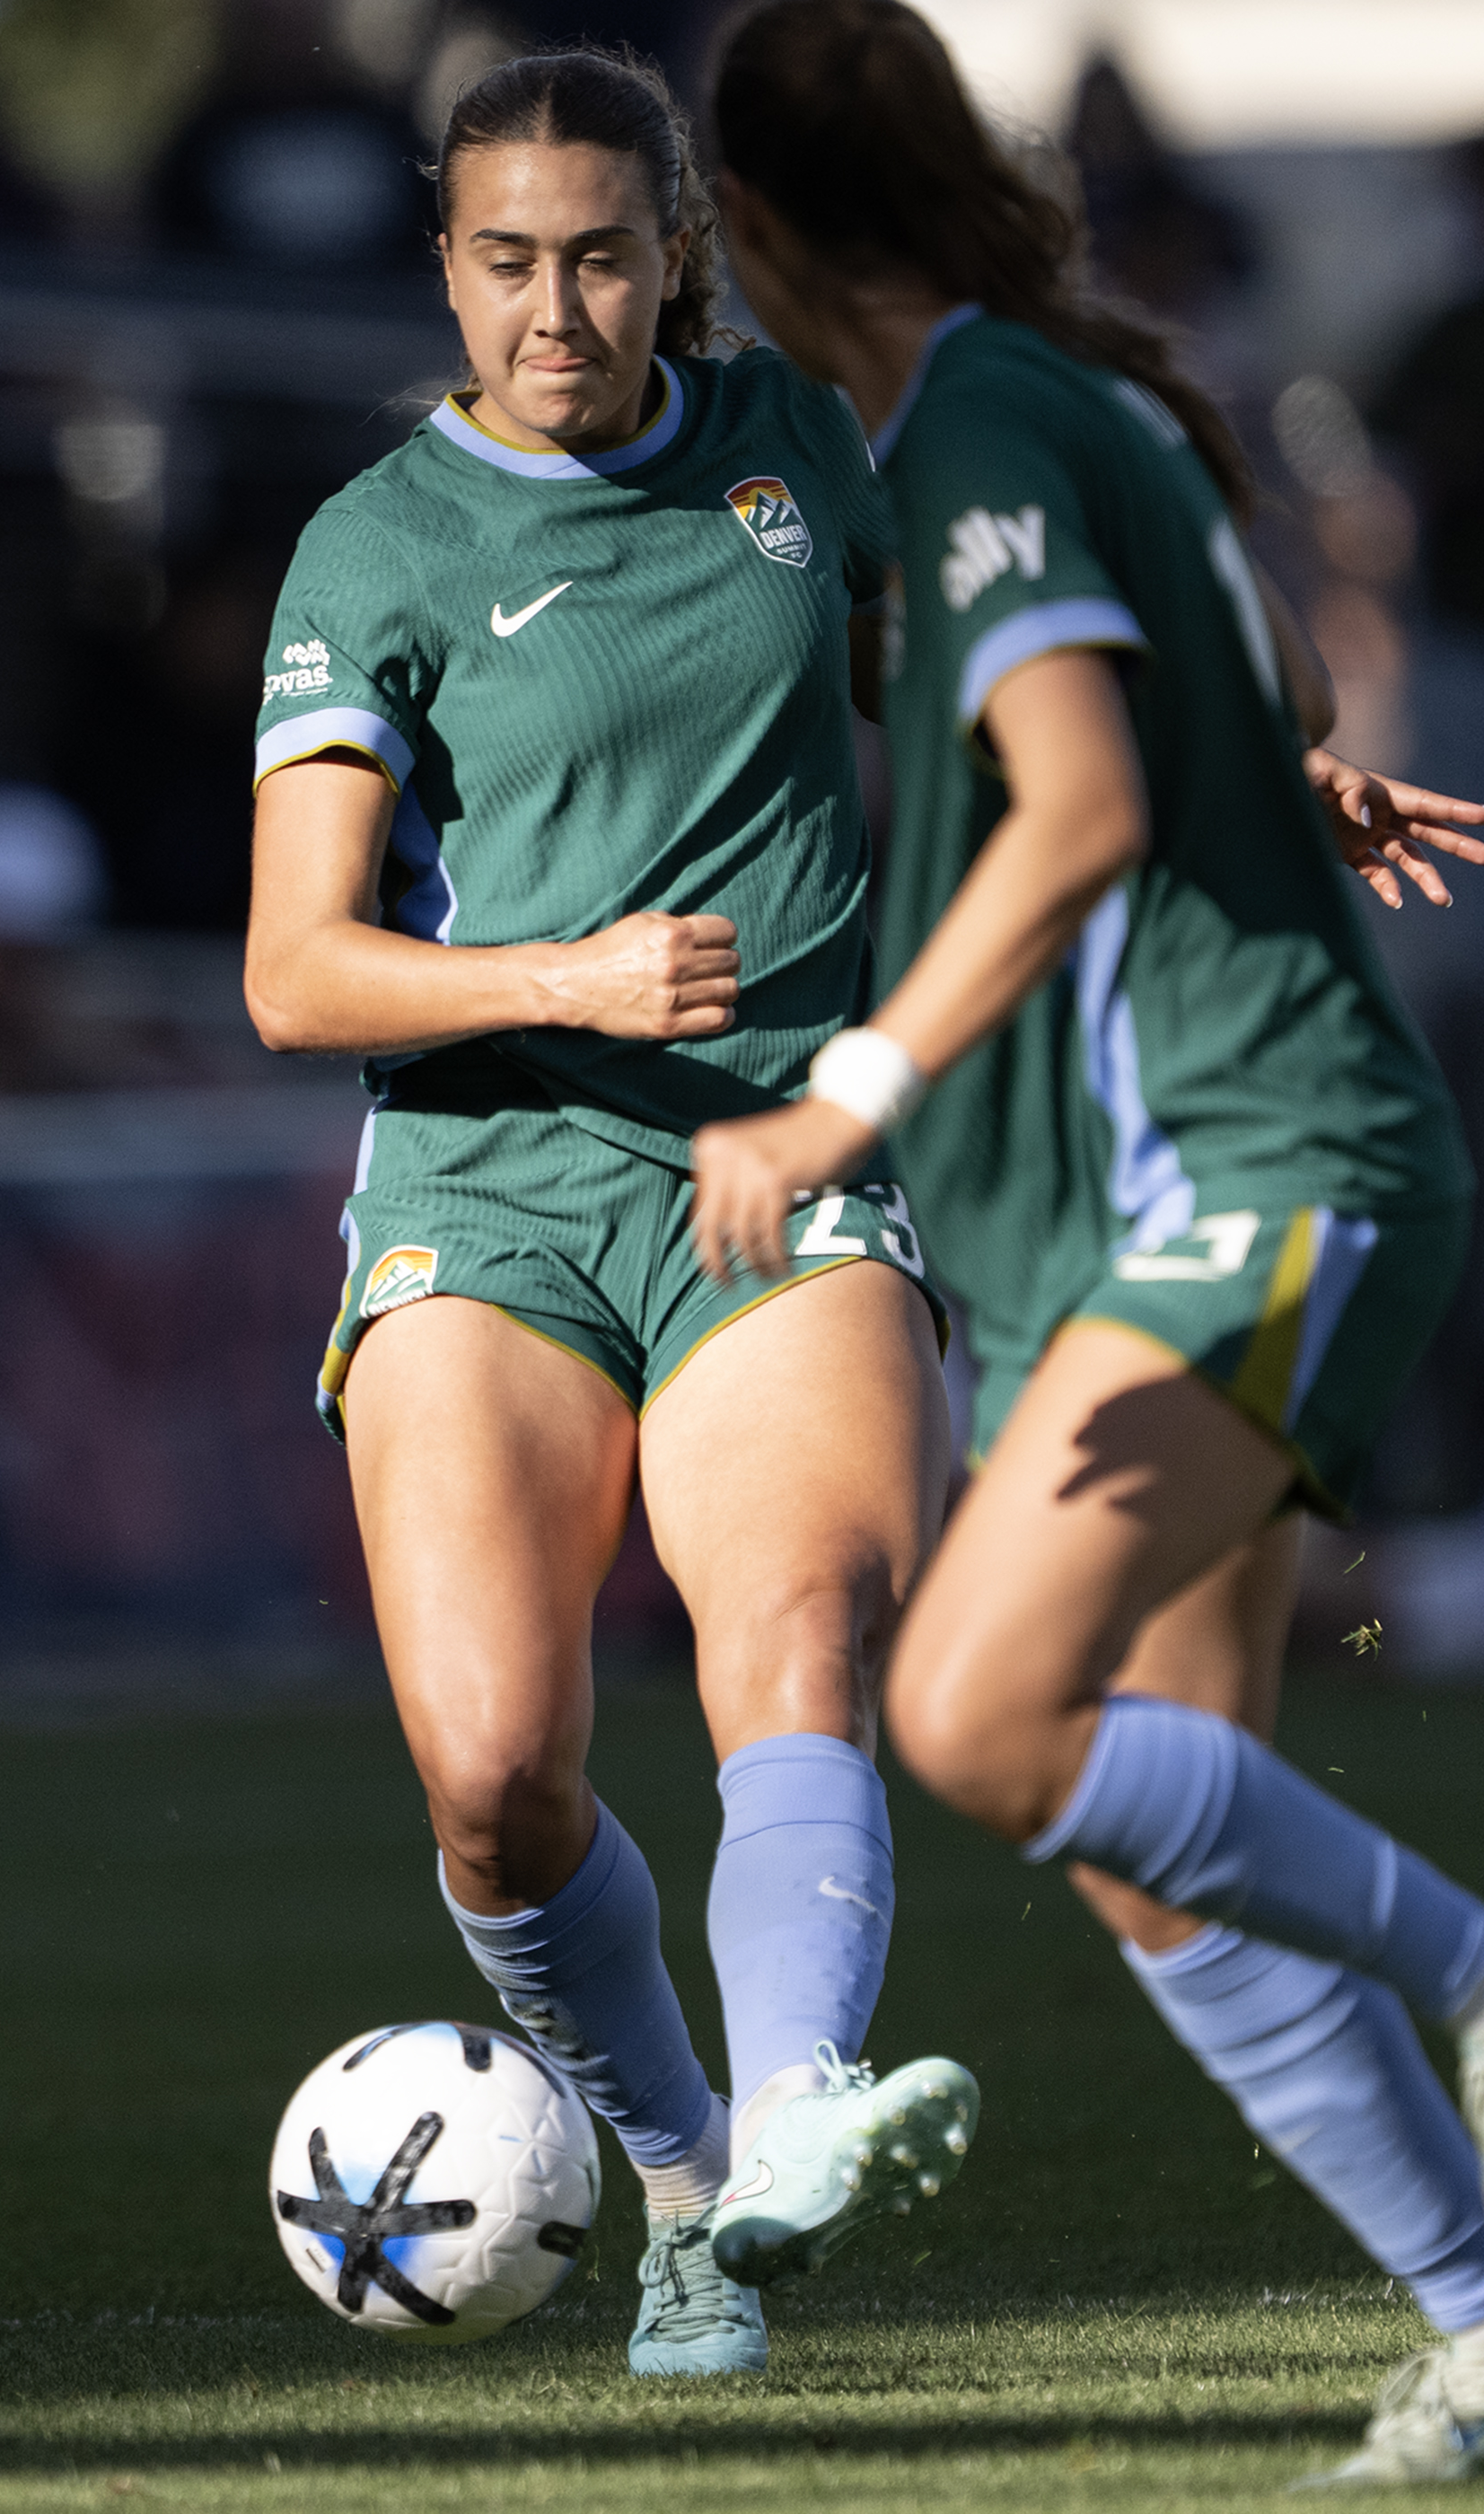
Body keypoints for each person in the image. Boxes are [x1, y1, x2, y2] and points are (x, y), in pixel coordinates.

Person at [701, 3, 1484, 2483]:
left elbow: (1081, 804)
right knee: (1155, 1822)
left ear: (762, 230)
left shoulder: (994, 426)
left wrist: (844, 1094)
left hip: (1239, 1164)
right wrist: (1293, 784)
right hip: (1116, 1207)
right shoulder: (1036, 406)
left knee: (975, 1717)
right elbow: (1161, 732)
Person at [239, 47, 976, 2380]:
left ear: (678, 246)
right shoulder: (377, 545)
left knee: (794, 1636)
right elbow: (292, 964)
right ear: (442, 270)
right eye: (501, 262)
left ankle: (792, 2126)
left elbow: (989, 700)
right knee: (489, 1772)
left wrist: (1264, 788)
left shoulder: (807, 456)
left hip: (776, 1159)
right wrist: (565, 974)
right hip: (482, 1181)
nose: (553, 309)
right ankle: (675, 2186)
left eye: (597, 255)